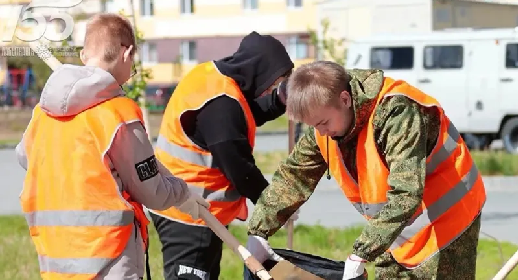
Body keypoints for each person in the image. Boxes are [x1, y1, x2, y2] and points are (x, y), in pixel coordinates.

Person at [245, 60, 487, 280]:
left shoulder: (397, 112)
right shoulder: (325, 121)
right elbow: (294, 176)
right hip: (393, 233)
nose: (320, 132)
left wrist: (361, 253)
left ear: (344, 99)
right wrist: (259, 230)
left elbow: (406, 193)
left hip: (448, 224)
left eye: (323, 123)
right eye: (313, 125)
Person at [15, 13, 209, 280]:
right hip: (110, 257)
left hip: (56, 255)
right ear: (126, 53)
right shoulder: (119, 113)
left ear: (84, 55)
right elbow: (151, 191)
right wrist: (182, 194)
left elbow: (25, 156)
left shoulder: (43, 112)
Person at [147, 31, 298, 280]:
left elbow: (244, 114)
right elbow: (240, 168)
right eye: (276, 81)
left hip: (192, 206)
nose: (273, 86)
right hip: (191, 214)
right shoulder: (220, 106)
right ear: (259, 71)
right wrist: (277, 205)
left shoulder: (213, 78)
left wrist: (279, 100)